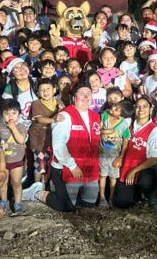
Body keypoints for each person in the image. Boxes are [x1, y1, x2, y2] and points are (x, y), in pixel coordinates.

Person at [38, 84, 101, 212]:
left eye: (88, 93)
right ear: (73, 98)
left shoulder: (95, 116)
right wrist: (72, 165)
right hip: (66, 167)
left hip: (89, 168)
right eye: (81, 93)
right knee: (67, 207)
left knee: (90, 205)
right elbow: (59, 145)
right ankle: (38, 193)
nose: (86, 96)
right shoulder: (64, 116)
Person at [114, 96, 157, 209]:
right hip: (127, 165)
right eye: (137, 106)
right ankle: (136, 194)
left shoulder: (155, 130)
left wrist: (133, 171)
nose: (141, 109)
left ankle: (152, 195)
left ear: (151, 109)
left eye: (145, 106)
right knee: (121, 203)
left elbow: (154, 159)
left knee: (145, 180)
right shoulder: (128, 124)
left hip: (146, 166)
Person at [0, 99, 29, 215]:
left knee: (16, 182)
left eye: (14, 113)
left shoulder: (21, 127)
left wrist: (13, 127)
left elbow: (21, 140)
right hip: (2, 161)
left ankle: (18, 203)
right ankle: (3, 200)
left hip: (17, 161)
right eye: (6, 113)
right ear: (1, 114)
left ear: (19, 114)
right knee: (3, 181)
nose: (10, 116)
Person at [98, 99, 131, 207]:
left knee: (113, 177)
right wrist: (104, 131)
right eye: (115, 106)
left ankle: (111, 198)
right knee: (102, 176)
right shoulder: (104, 115)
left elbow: (126, 141)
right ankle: (102, 197)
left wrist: (121, 157)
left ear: (122, 116)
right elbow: (97, 130)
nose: (113, 108)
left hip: (115, 156)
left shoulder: (124, 125)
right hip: (102, 153)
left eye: (117, 109)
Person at [29, 79, 62, 184]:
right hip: (39, 140)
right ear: (38, 93)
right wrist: (53, 120)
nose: (45, 92)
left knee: (49, 165)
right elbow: (39, 119)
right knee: (40, 165)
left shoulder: (59, 102)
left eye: (48, 89)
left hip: (53, 140)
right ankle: (36, 187)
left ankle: (45, 186)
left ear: (54, 90)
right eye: (42, 90)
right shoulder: (36, 103)